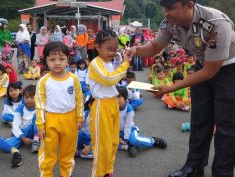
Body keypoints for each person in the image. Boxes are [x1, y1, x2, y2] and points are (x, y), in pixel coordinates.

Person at [127, 0, 235, 177]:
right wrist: (135, 50)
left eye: (171, 8)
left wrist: (171, 87)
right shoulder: (170, 22)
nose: (165, 13)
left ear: (189, 6)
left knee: (226, 127)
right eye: (164, 8)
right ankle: (193, 167)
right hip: (204, 65)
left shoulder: (216, 23)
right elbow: (155, 46)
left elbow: (210, 72)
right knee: (199, 120)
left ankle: (222, 173)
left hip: (229, 69)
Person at [35, 41, 84, 177]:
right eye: (52, 59)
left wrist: (80, 118)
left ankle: (66, 173)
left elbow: (79, 99)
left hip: (70, 119)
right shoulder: (43, 81)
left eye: (61, 59)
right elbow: (39, 105)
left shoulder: (74, 79)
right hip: (51, 120)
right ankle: (46, 174)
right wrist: (40, 125)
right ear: (46, 61)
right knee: (48, 152)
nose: (57, 63)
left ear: (68, 59)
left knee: (67, 152)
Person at [87, 27, 130, 177]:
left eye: (114, 49)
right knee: (102, 146)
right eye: (108, 49)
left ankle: (108, 171)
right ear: (97, 47)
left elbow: (112, 77)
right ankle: (98, 174)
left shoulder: (108, 62)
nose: (112, 52)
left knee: (113, 142)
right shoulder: (95, 63)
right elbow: (108, 79)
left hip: (113, 104)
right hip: (101, 106)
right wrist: (125, 65)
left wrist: (121, 67)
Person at [116, 86, 167, 157]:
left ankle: (153, 141)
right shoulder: (111, 108)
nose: (116, 100)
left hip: (129, 130)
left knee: (133, 140)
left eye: (119, 97)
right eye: (113, 97)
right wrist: (115, 137)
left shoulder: (129, 109)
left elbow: (128, 126)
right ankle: (128, 147)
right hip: (116, 132)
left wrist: (126, 139)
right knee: (104, 143)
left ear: (125, 98)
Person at [6, 85, 40, 152]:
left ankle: (36, 140)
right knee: (7, 145)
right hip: (24, 132)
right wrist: (23, 138)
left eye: (32, 97)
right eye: (26, 97)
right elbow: (15, 126)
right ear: (23, 98)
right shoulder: (20, 108)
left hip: (37, 130)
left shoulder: (40, 108)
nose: (29, 100)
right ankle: (29, 139)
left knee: (38, 116)